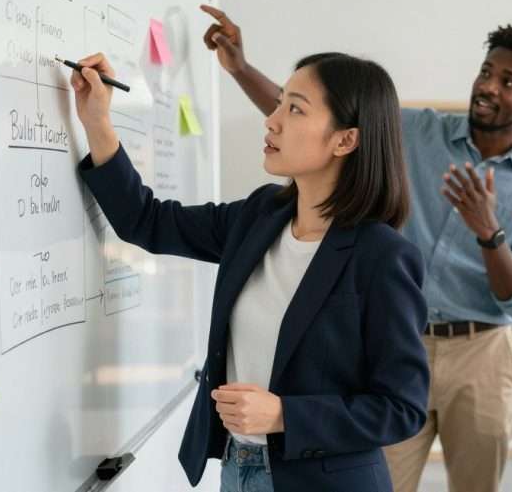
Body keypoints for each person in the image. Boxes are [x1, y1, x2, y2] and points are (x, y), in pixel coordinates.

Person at [200, 4, 512, 491]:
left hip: (480, 354)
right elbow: (322, 124)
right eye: (486, 72)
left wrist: (489, 232)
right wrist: (241, 70)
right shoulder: (418, 130)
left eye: (508, 82)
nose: (488, 87)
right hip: (396, 345)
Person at [70, 51, 430, 492]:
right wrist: (96, 123)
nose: (272, 121)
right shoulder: (260, 216)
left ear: (345, 140)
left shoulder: (383, 256)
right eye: (279, 103)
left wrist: (283, 414)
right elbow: (148, 221)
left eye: (295, 108)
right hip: (238, 468)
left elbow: (403, 407)